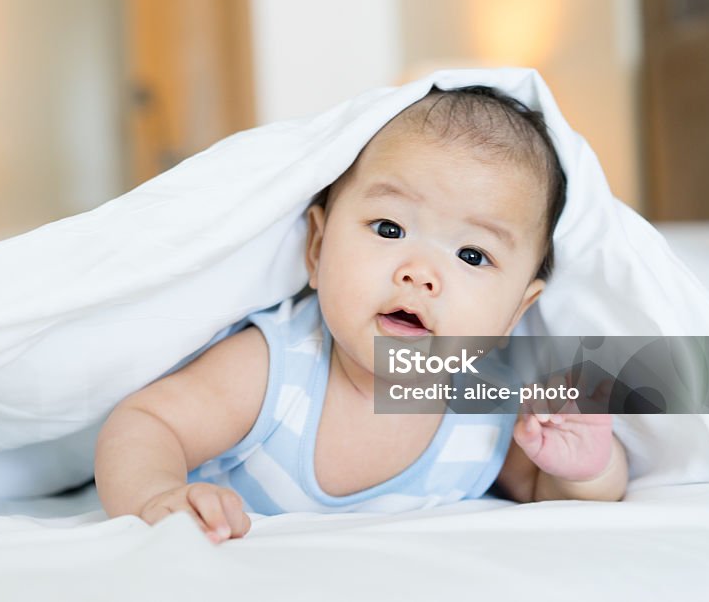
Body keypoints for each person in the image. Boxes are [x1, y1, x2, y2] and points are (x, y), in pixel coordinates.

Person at [95, 85, 628, 544]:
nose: (419, 273)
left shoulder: (486, 408)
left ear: (516, 311)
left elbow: (543, 494)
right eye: (389, 228)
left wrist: (587, 469)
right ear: (318, 248)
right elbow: (148, 422)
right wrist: (157, 496)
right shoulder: (277, 369)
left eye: (472, 255)